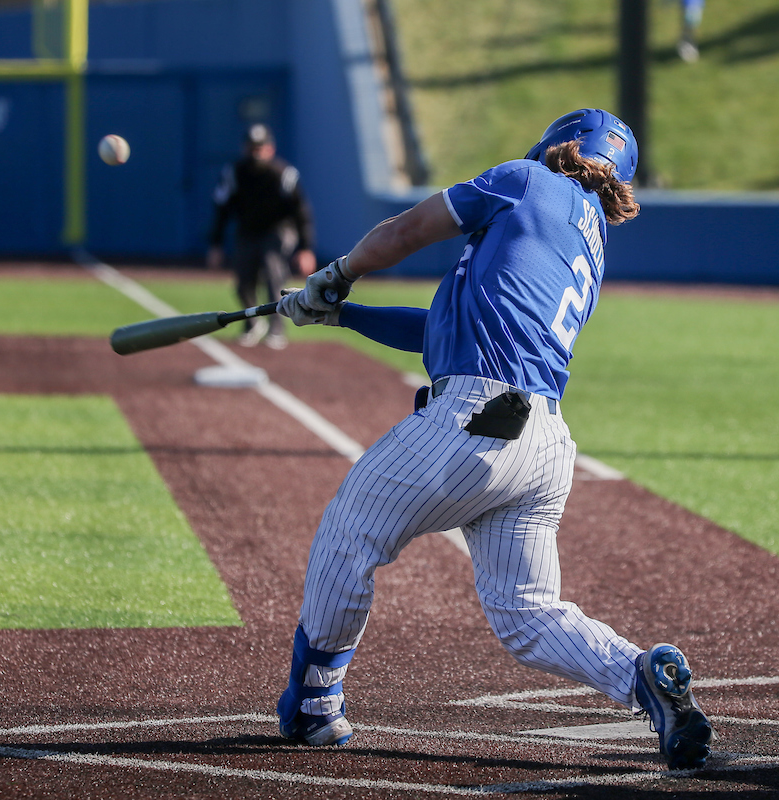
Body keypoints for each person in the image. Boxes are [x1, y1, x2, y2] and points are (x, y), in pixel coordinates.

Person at [272, 109, 714, 770]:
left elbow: (404, 230)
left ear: (556, 144)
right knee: (528, 616)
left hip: (475, 421)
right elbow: (441, 331)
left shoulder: (525, 181)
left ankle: (312, 703)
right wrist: (342, 314)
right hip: (543, 444)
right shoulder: (589, 238)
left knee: (351, 530)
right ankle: (640, 675)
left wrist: (337, 275)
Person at [207, 123, 317, 349]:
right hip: (248, 230)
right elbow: (222, 208)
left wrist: (305, 248)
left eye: (260, 148)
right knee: (243, 282)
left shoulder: (283, 174)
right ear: (244, 148)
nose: (256, 153)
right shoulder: (234, 172)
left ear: (270, 148)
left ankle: (276, 328)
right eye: (252, 148)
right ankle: (252, 324)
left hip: (278, 229)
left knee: (273, 273)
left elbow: (301, 211)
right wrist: (216, 243)